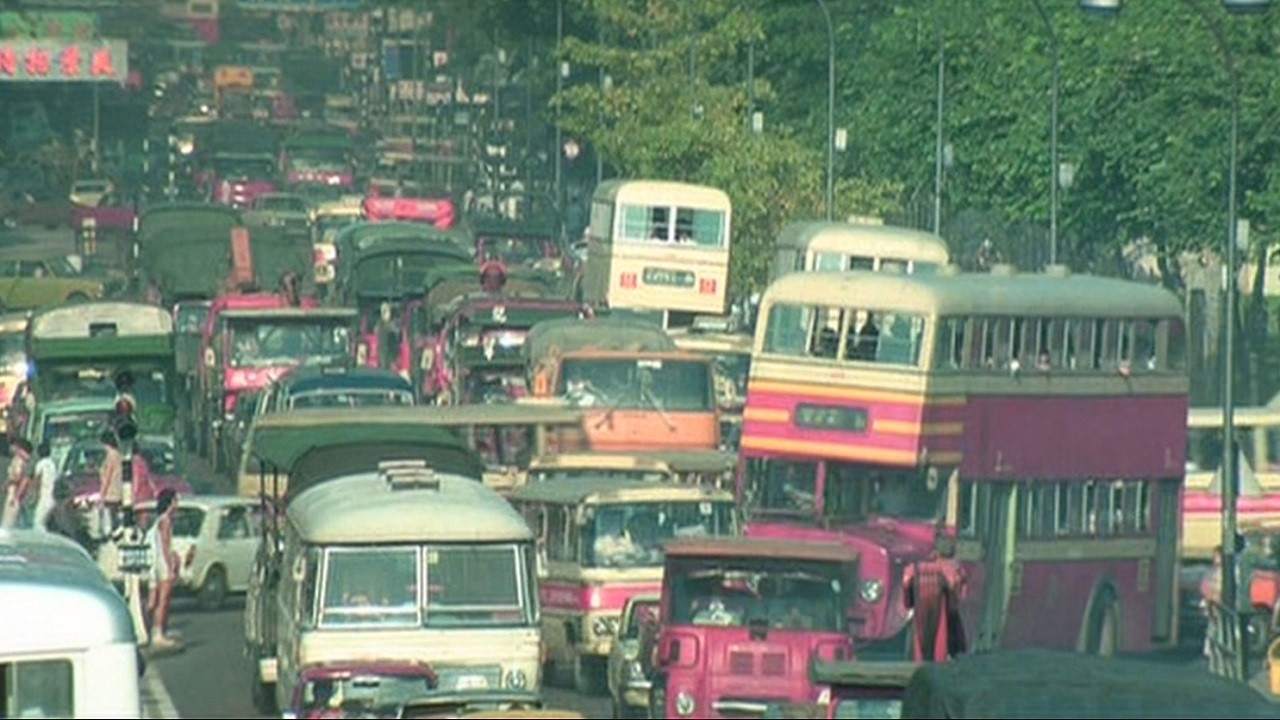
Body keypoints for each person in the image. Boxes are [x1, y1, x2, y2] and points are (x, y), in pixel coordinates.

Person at [146, 488, 181, 649]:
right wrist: (171, 567)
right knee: (163, 599)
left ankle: (152, 629)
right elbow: (166, 545)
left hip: (154, 563)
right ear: (170, 502)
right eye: (175, 500)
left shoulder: (159, 520)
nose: (177, 504)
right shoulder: (166, 521)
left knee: (154, 599)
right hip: (162, 563)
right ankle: (158, 633)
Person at [1, 438, 32, 529]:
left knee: (9, 518)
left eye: (12, 446)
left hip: (14, 490)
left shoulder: (19, 460)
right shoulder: (18, 459)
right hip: (13, 490)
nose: (10, 448)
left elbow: (19, 477)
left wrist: (8, 482)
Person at [97, 431, 123, 538]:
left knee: (110, 518)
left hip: (111, 493)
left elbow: (107, 477)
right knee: (115, 516)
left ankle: (110, 535)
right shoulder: (118, 454)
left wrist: (101, 496)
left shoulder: (110, 456)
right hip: (118, 491)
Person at [28, 441, 56, 532]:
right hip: (53, 496)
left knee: (38, 522)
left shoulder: (40, 464)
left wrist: (33, 496)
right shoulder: (53, 464)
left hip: (44, 497)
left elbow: (37, 481)